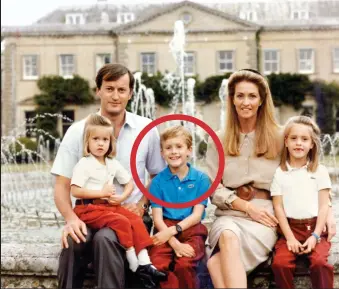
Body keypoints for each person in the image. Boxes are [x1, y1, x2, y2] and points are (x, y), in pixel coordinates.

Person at [205, 69, 336, 288]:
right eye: (240, 96)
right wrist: (246, 207)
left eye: (252, 96)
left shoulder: (281, 135)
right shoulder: (217, 139)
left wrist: (328, 210)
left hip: (267, 215)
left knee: (216, 264)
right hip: (230, 212)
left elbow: (308, 173)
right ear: (232, 99)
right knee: (227, 236)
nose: (246, 102)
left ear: (261, 100)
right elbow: (211, 187)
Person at [51, 63, 166, 289]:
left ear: (131, 94)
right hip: (89, 212)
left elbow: (158, 177)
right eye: (109, 88)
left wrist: (142, 204)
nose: (115, 96)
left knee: (106, 239)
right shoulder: (78, 130)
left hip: (129, 215)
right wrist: (71, 218)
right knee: (74, 240)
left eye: (122, 90)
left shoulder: (147, 129)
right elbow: (62, 185)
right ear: (98, 91)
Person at [70, 113, 166, 282]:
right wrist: (102, 193)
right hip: (87, 208)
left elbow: (129, 182)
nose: (100, 143)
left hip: (107, 207)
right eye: (96, 139)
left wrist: (122, 198)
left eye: (105, 140)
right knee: (120, 222)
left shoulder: (111, 163)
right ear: (88, 142)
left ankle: (145, 263)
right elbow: (75, 190)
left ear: (110, 142)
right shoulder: (84, 163)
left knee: (135, 219)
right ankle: (133, 263)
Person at [270, 115, 333, 289]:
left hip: (315, 228)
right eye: (294, 138)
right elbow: (278, 207)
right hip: (290, 229)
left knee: (319, 263)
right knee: (280, 264)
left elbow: (323, 206)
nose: (299, 143)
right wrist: (289, 238)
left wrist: (315, 236)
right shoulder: (280, 173)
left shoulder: (320, 171)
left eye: (304, 139)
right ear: (286, 142)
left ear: (311, 144)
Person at [148, 125, 210, 288]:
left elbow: (197, 215)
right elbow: (157, 219)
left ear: (189, 150)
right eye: (168, 148)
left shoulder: (201, 179)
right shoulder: (157, 182)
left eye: (179, 147)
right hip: (164, 227)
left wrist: (173, 231)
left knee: (185, 265)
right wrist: (174, 243)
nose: (174, 152)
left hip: (192, 228)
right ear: (162, 153)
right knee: (157, 265)